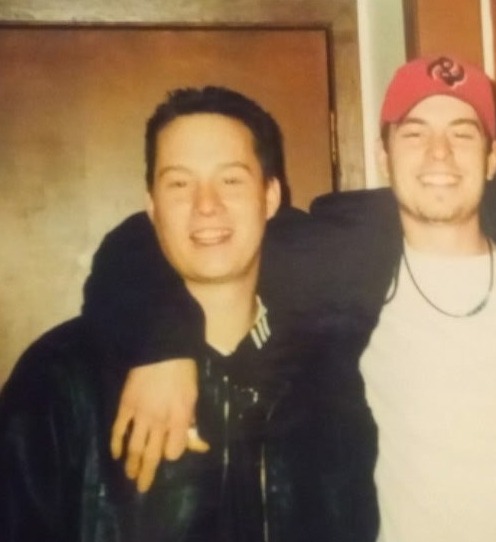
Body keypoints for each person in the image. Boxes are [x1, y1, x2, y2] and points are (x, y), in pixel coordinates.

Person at [82, 56, 496, 540]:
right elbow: (158, 234)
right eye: (414, 133)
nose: (439, 154)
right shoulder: (335, 253)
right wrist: (163, 343)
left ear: (492, 158)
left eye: (462, 133)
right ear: (384, 154)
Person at [0, 86, 333, 541]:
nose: (206, 205)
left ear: (271, 196)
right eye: (179, 183)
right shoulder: (60, 378)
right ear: (152, 206)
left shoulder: (331, 368)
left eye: (231, 180)